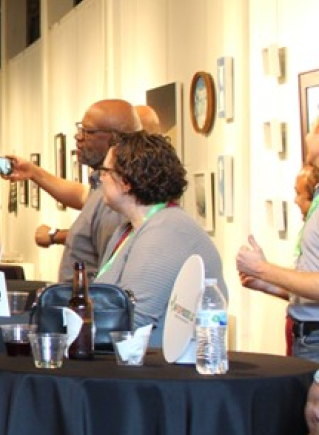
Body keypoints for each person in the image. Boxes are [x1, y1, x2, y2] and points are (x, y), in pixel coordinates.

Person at [94, 131, 225, 346]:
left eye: (105, 172)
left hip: (164, 372)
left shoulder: (165, 231)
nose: (101, 178)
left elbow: (133, 319)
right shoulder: (128, 229)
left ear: (125, 181)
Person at [4, 99, 139, 281]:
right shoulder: (101, 184)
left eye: (87, 131)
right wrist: (33, 172)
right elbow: (81, 195)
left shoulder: (117, 196)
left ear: (114, 138)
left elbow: (108, 268)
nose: (78, 137)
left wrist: (54, 236)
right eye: (80, 129)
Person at [236, 163, 319, 359]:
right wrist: (269, 285)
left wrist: (262, 269)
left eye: (299, 193)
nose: (296, 200)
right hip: (304, 337)